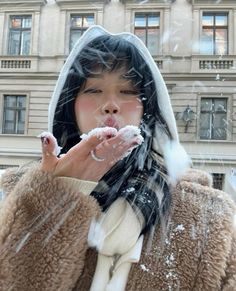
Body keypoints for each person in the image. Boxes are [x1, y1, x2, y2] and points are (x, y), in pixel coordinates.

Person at [0, 25, 235, 291]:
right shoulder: (13, 200)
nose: (111, 104)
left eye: (127, 91)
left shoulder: (208, 220)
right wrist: (55, 200)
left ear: (147, 108)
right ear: (70, 104)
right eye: (93, 90)